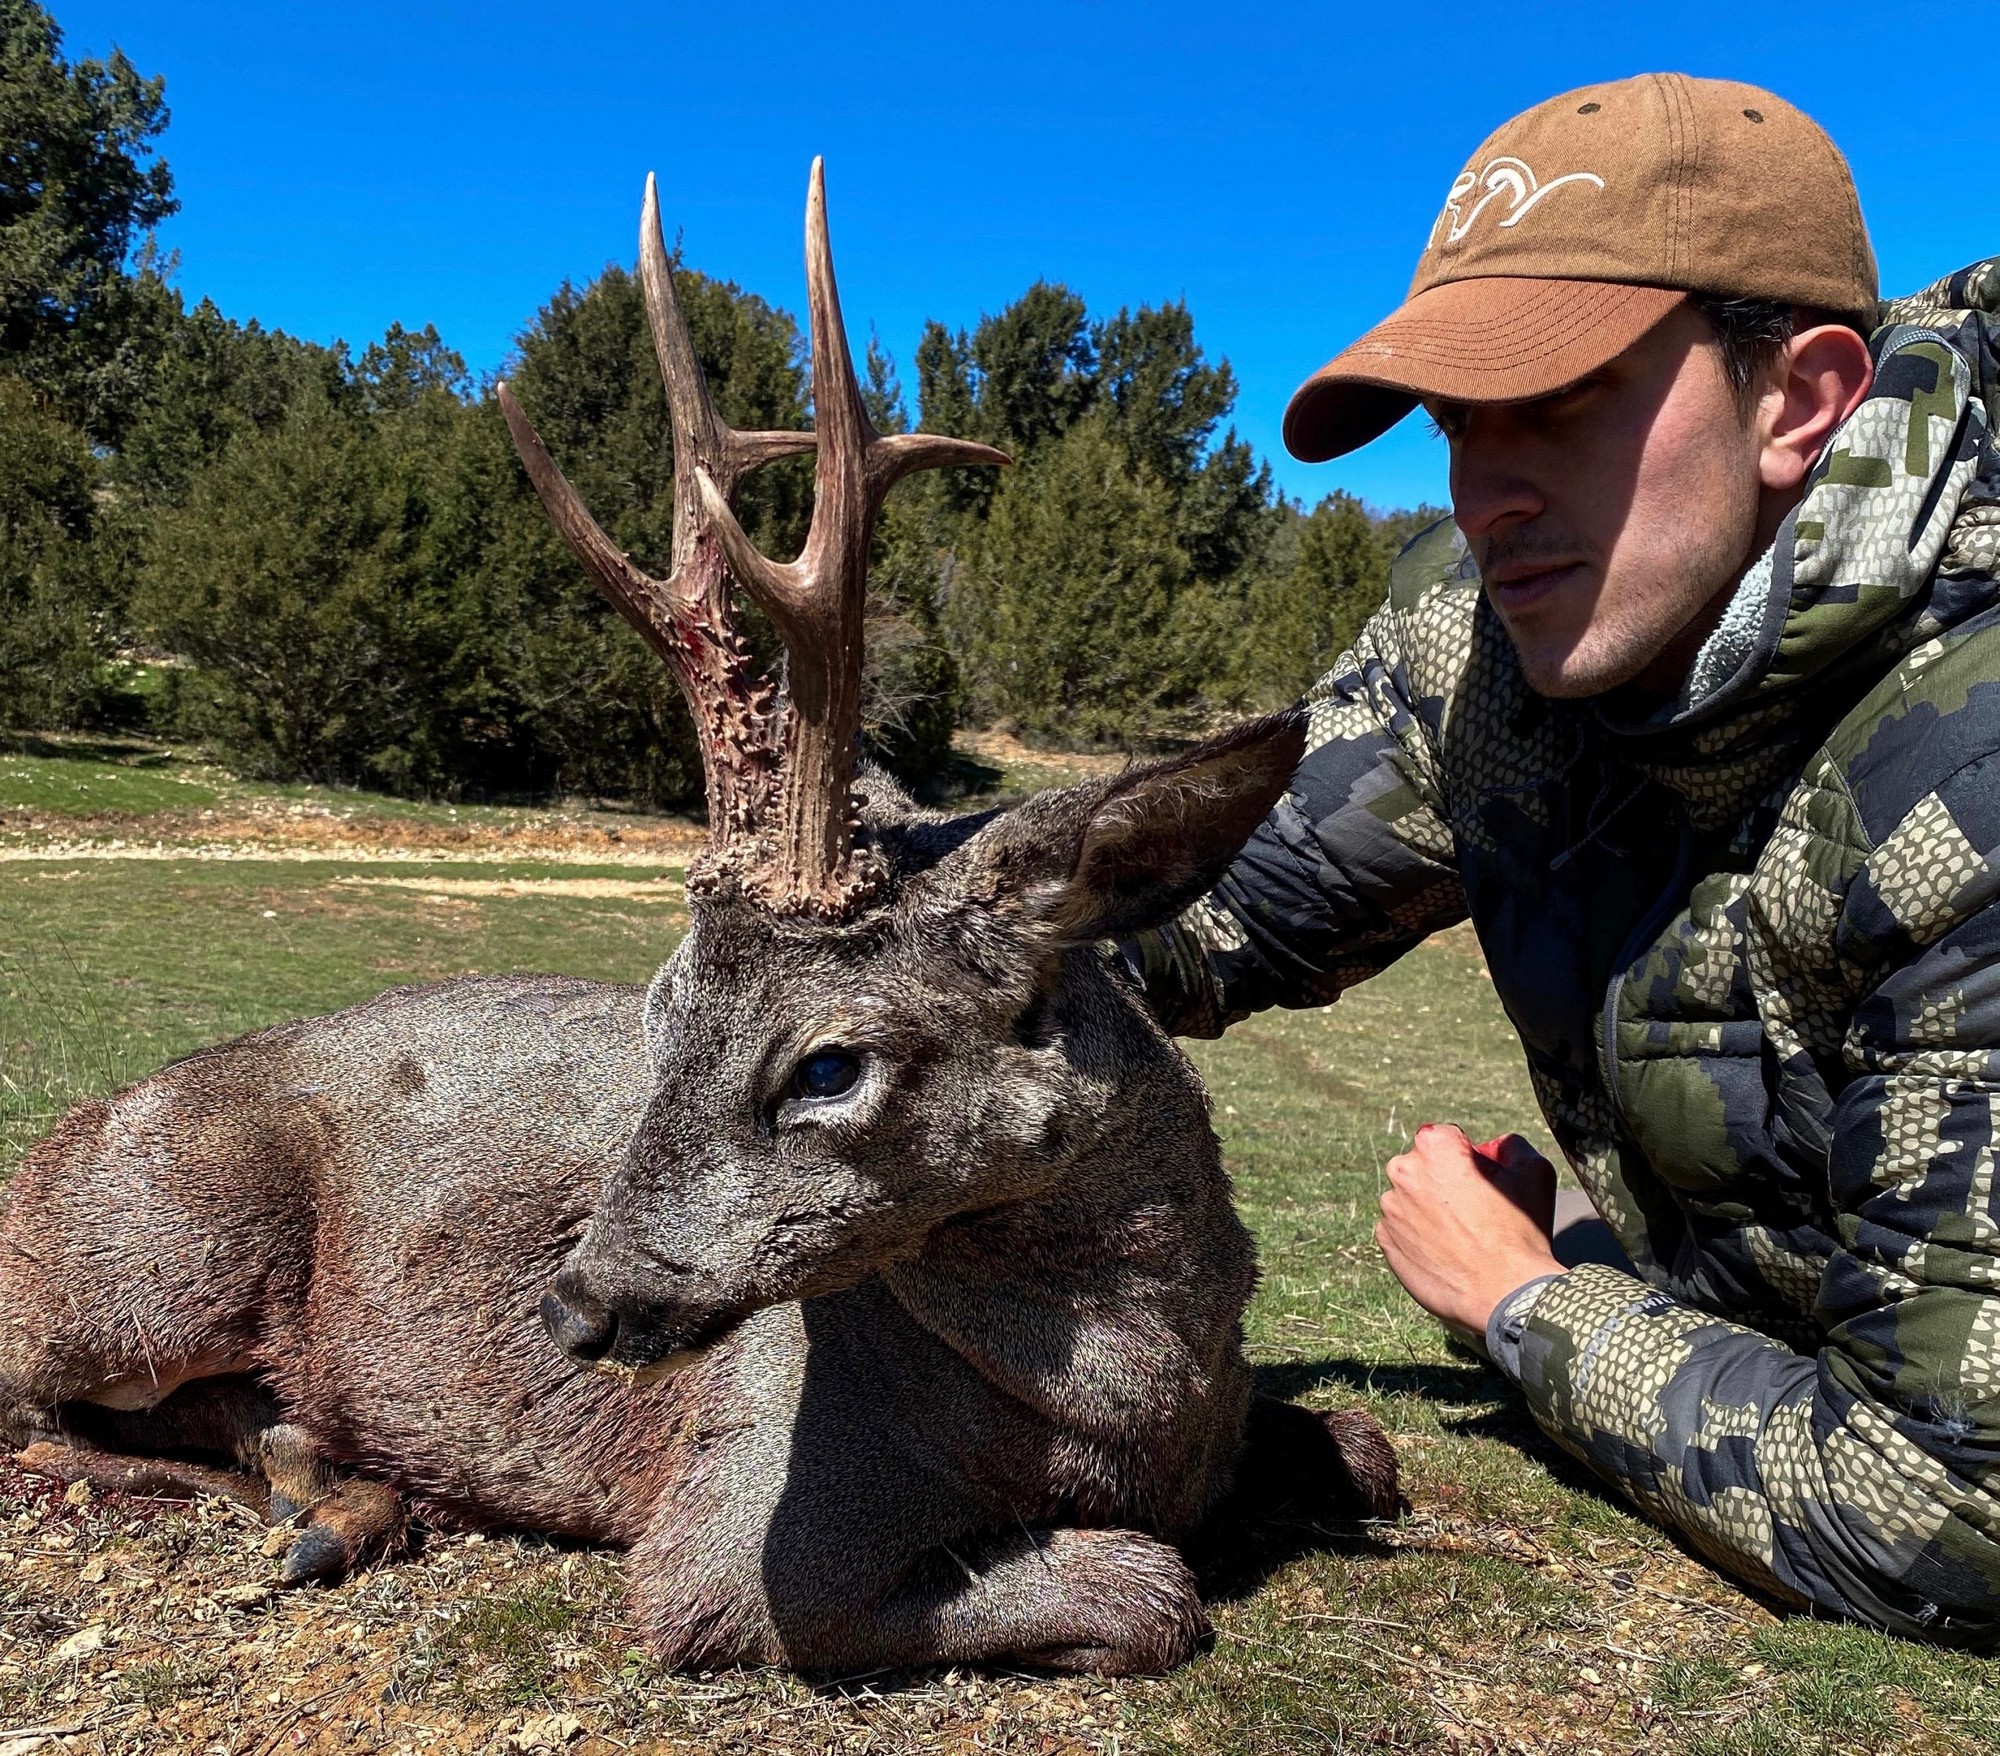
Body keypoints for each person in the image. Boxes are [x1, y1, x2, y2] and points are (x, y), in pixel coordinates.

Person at [1125, 71, 2000, 1641]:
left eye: (1565, 398)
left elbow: (1949, 1510)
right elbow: (1178, 919)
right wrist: (857, 881)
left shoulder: (1971, 773)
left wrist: (1524, 1301)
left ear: (1799, 400)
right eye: (1459, 421)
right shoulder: (1492, 650)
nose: (1487, 497)